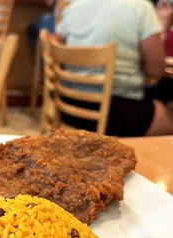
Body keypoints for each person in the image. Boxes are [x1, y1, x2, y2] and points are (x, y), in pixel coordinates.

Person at [56, 0, 173, 137]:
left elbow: (59, 49)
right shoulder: (141, 8)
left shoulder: (73, 9)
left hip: (68, 107)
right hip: (116, 115)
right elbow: (155, 71)